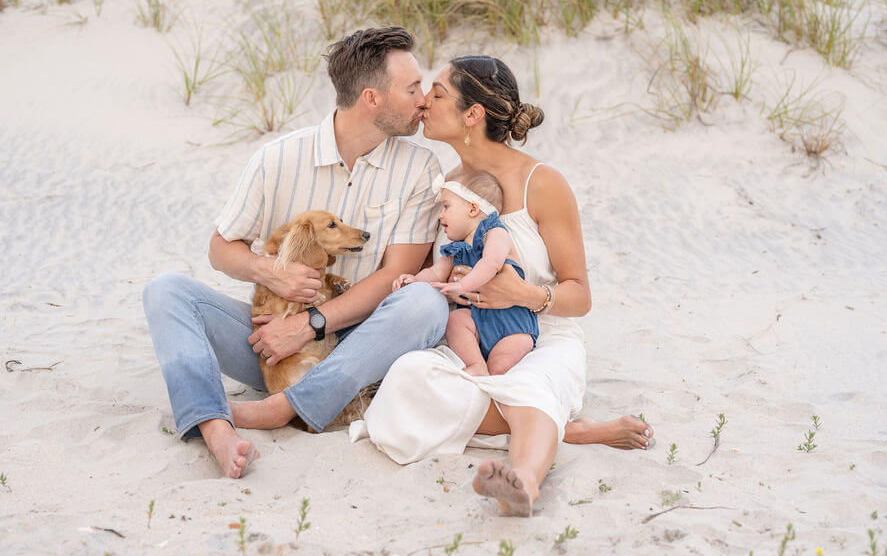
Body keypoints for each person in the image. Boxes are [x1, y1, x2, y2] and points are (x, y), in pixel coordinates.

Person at [350, 55, 655, 516]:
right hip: (470, 337)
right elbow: (436, 269)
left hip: (538, 336)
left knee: (530, 383)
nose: (424, 102)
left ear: (472, 115)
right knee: (408, 379)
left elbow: (580, 296)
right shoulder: (447, 188)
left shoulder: (543, 183)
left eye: (437, 93)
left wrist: (524, 295)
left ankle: (524, 484)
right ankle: (571, 429)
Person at [142, 27, 450, 478]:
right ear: (371, 98)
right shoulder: (278, 158)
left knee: (424, 302)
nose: (423, 98)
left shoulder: (420, 168)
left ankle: (284, 408)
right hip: (275, 347)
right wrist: (271, 273)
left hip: (364, 346)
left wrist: (312, 324)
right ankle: (215, 426)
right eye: (412, 88)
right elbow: (220, 248)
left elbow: (396, 275)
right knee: (166, 292)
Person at [392, 171, 538, 377]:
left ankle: (492, 375)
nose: (440, 215)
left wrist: (463, 285)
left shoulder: (495, 233)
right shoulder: (456, 248)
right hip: (476, 318)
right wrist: (414, 280)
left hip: (512, 322)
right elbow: (436, 272)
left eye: (446, 206)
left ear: (472, 208)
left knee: (500, 367)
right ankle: (475, 363)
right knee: (454, 320)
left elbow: (491, 262)